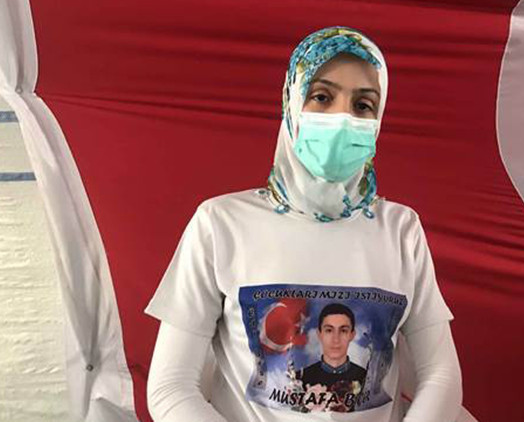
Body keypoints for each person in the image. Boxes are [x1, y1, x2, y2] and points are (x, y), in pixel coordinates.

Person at [145, 26, 463, 422]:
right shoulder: (220, 224)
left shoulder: (401, 230)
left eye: (363, 105)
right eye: (322, 97)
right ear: (292, 103)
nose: (343, 118)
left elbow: (441, 375)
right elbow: (171, 387)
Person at [295, 303, 367, 404]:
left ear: (352, 335)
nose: (336, 339)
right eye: (329, 330)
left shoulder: (365, 378)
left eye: (343, 331)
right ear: (319, 334)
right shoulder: (300, 379)